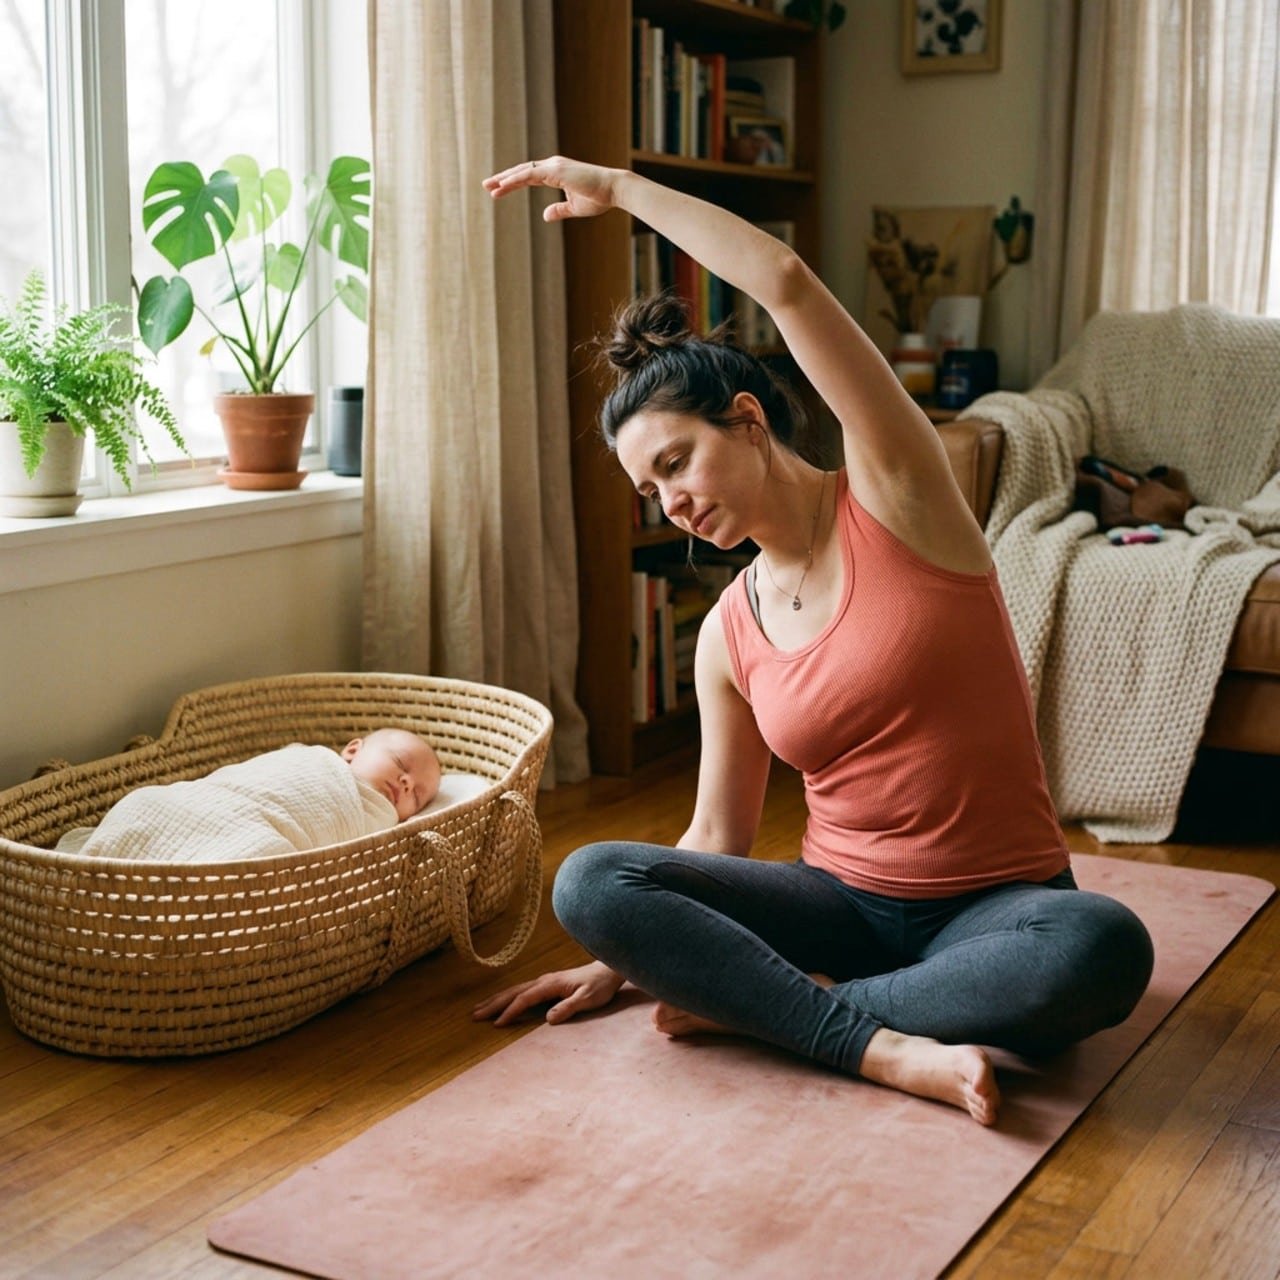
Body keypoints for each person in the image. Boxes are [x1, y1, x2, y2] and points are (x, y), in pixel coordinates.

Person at [473, 156, 1154, 1126]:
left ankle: (780, 1014)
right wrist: (624, 955)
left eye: (676, 461)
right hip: (834, 907)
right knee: (589, 878)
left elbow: (783, 282)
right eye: (650, 491)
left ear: (745, 418)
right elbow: (717, 836)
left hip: (994, 906)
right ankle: (873, 1042)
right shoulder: (726, 632)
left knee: (1098, 948)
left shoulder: (898, 497)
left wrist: (619, 191)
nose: (671, 501)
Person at [55, 727, 441, 862]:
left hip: (257, 832)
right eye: (399, 763)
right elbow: (246, 781)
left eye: (419, 795)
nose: (407, 784)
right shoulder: (309, 760)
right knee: (147, 804)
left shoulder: (382, 824)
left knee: (256, 859)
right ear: (353, 750)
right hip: (208, 802)